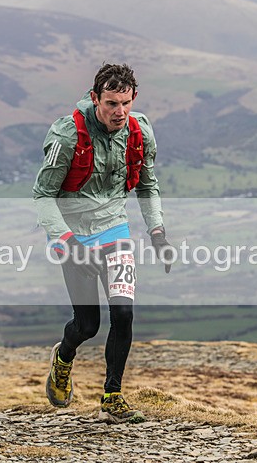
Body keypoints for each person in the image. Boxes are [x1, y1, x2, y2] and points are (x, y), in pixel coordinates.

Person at [33, 63, 174, 424]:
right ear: (95, 98)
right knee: (87, 325)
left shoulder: (140, 131)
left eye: (125, 103)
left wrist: (157, 230)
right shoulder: (67, 135)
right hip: (74, 235)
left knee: (124, 314)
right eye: (111, 103)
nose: (119, 112)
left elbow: (147, 184)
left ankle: (112, 395)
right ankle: (63, 358)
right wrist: (66, 240)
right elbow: (43, 195)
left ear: (134, 98)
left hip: (115, 231)